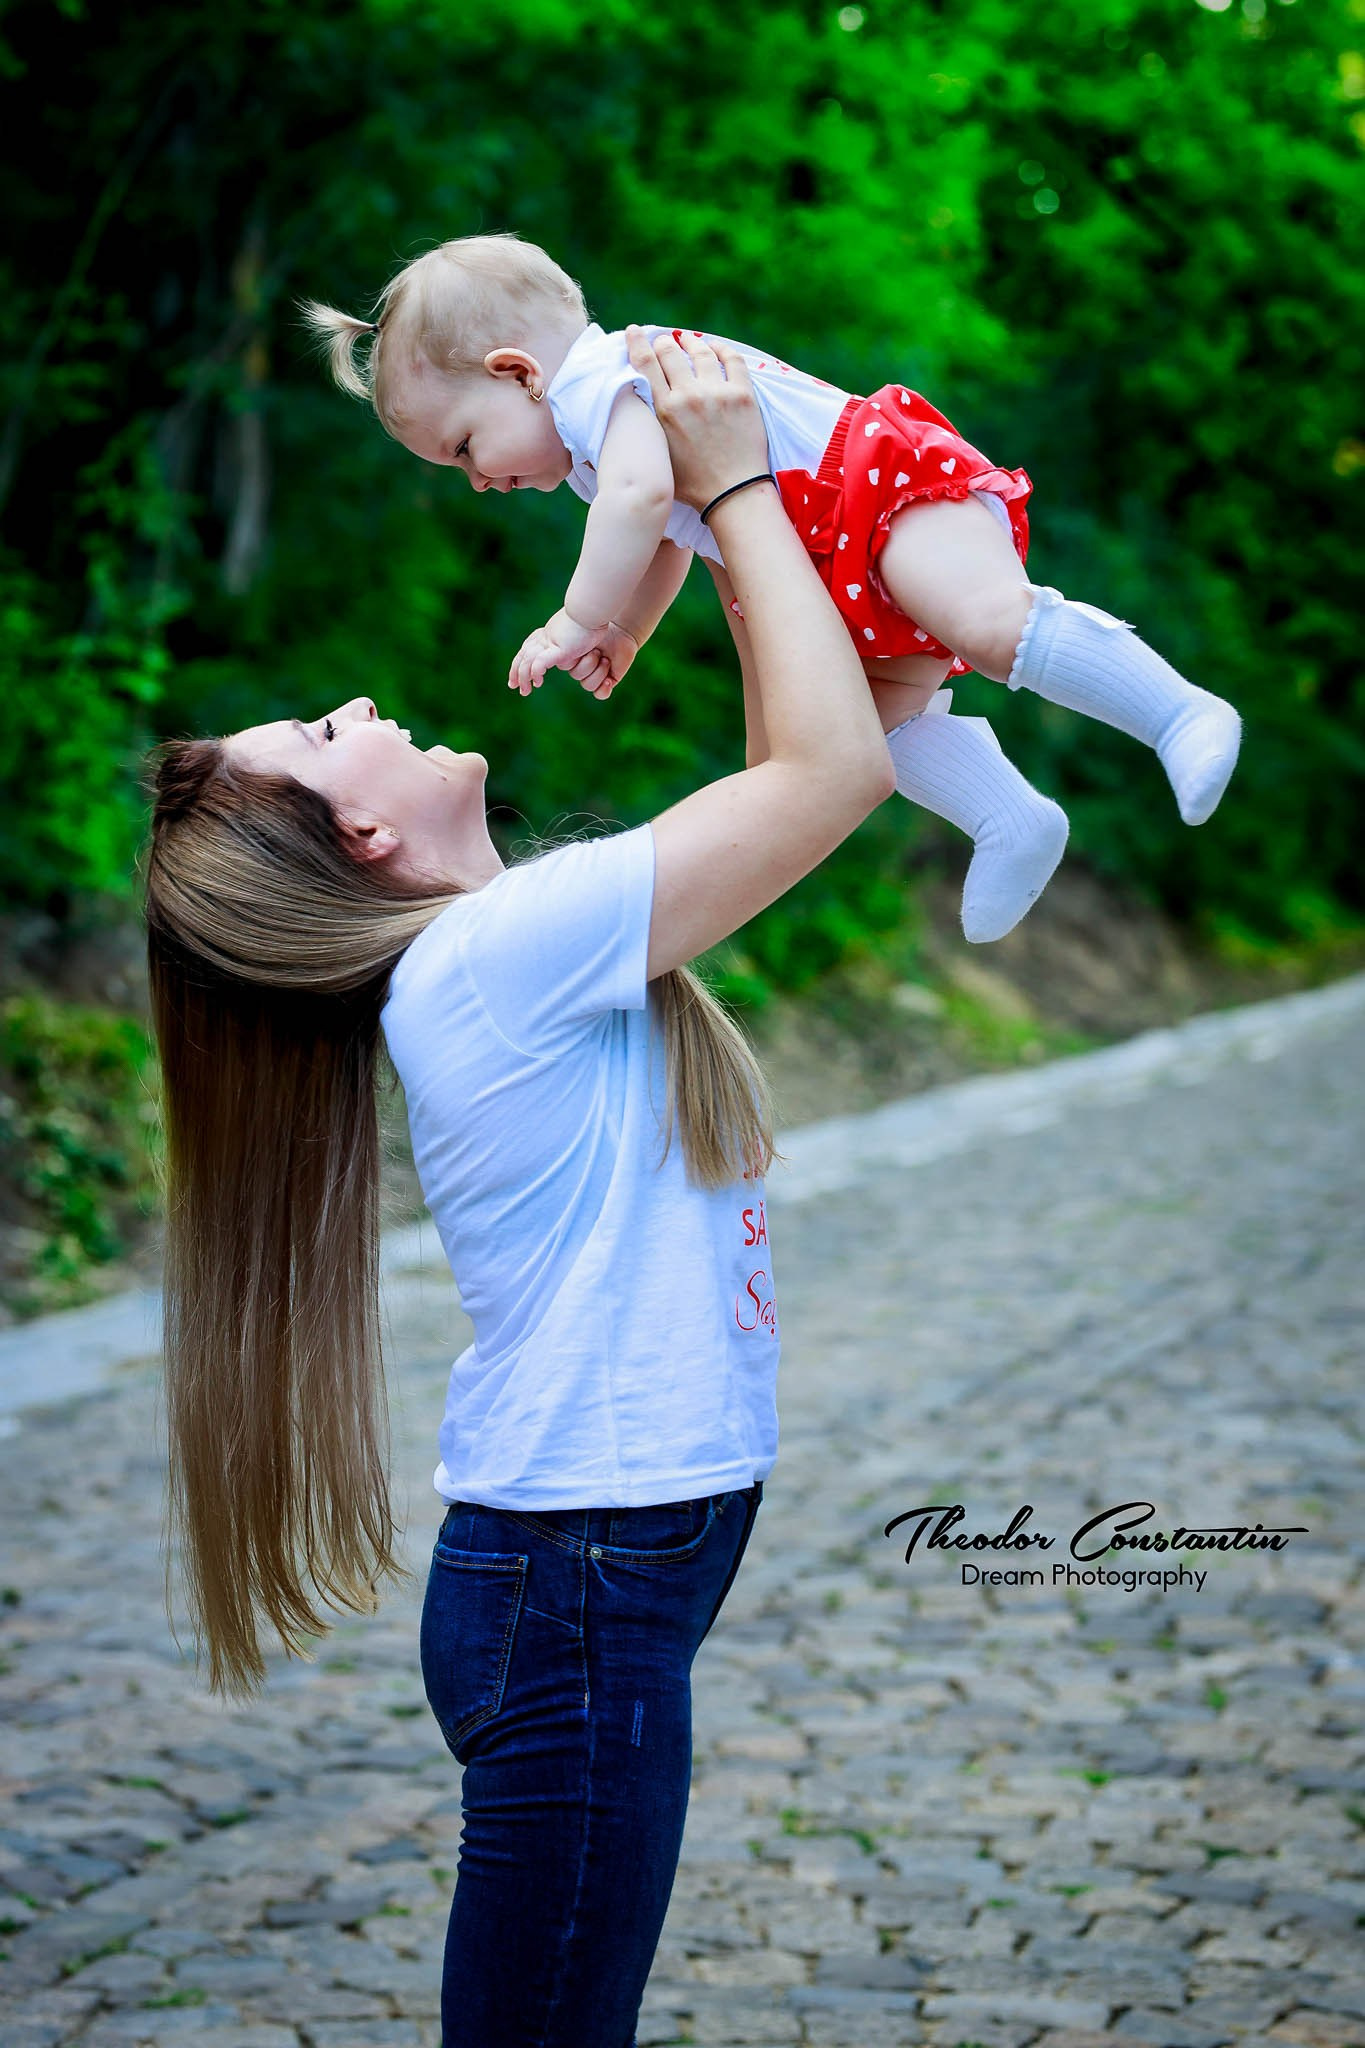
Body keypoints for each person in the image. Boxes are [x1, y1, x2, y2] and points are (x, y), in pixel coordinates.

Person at [142, 327, 896, 2048]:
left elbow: (793, 760)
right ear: (363, 841)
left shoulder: (501, 950)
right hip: (580, 1577)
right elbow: (834, 775)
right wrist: (734, 485)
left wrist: (720, 528)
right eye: (326, 731)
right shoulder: (493, 961)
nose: (364, 707)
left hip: (587, 1566)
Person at [302, 231, 1242, 946]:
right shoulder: (596, 444)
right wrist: (627, 631)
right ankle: (1008, 816)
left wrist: (575, 618)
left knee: (991, 624)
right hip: (825, 554)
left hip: (873, 489)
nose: (477, 480)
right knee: (863, 723)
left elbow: (640, 500)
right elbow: (663, 533)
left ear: (518, 372)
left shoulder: (601, 384)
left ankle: (1177, 712)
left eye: (465, 446)